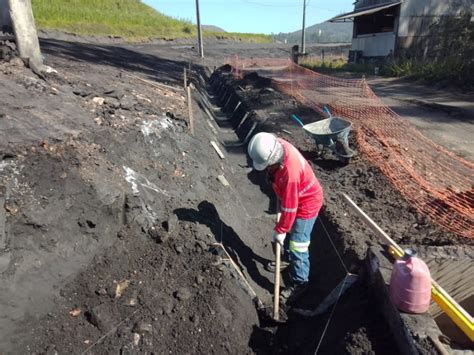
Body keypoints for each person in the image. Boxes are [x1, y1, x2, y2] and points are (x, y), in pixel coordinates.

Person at [248, 132, 324, 303]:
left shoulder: (290, 174)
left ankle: (300, 282)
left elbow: (290, 207)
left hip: (307, 203)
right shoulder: (277, 145)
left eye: (268, 165)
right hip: (296, 196)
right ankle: (290, 261)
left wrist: (280, 230)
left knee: (298, 244)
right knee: (292, 238)